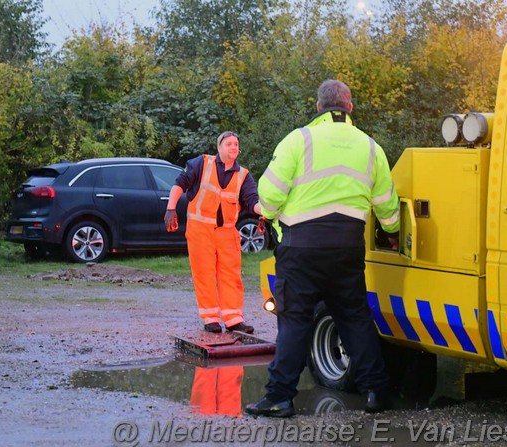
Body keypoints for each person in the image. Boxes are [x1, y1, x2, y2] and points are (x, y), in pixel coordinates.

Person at [245, 80, 400, 417]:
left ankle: (280, 397)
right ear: (350, 108)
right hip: (348, 246)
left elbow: (268, 196)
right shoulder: (371, 147)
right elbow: (387, 203)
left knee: (295, 321)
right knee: (355, 317)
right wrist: (393, 233)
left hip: (302, 247)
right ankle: (376, 392)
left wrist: (268, 215)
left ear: (318, 107)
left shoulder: (298, 140)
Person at [164, 131, 261, 334]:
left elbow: (252, 201)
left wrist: (264, 212)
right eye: (229, 144)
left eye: (236, 144)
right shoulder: (202, 163)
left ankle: (234, 318)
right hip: (200, 231)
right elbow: (180, 183)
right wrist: (171, 208)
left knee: (231, 276)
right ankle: (210, 319)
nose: (233, 147)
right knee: (204, 274)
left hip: (227, 232)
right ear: (219, 148)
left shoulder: (243, 175)